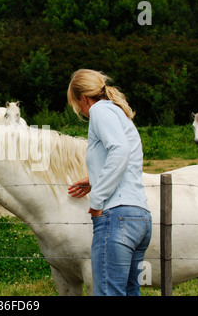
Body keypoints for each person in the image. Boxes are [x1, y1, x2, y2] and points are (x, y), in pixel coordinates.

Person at [66, 69, 152, 296]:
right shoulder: (117, 112)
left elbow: (119, 151)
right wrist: (94, 180)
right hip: (139, 216)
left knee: (108, 293)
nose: (81, 111)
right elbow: (126, 159)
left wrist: (96, 200)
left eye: (78, 105)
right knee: (130, 291)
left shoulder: (99, 111)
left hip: (117, 218)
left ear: (84, 98)